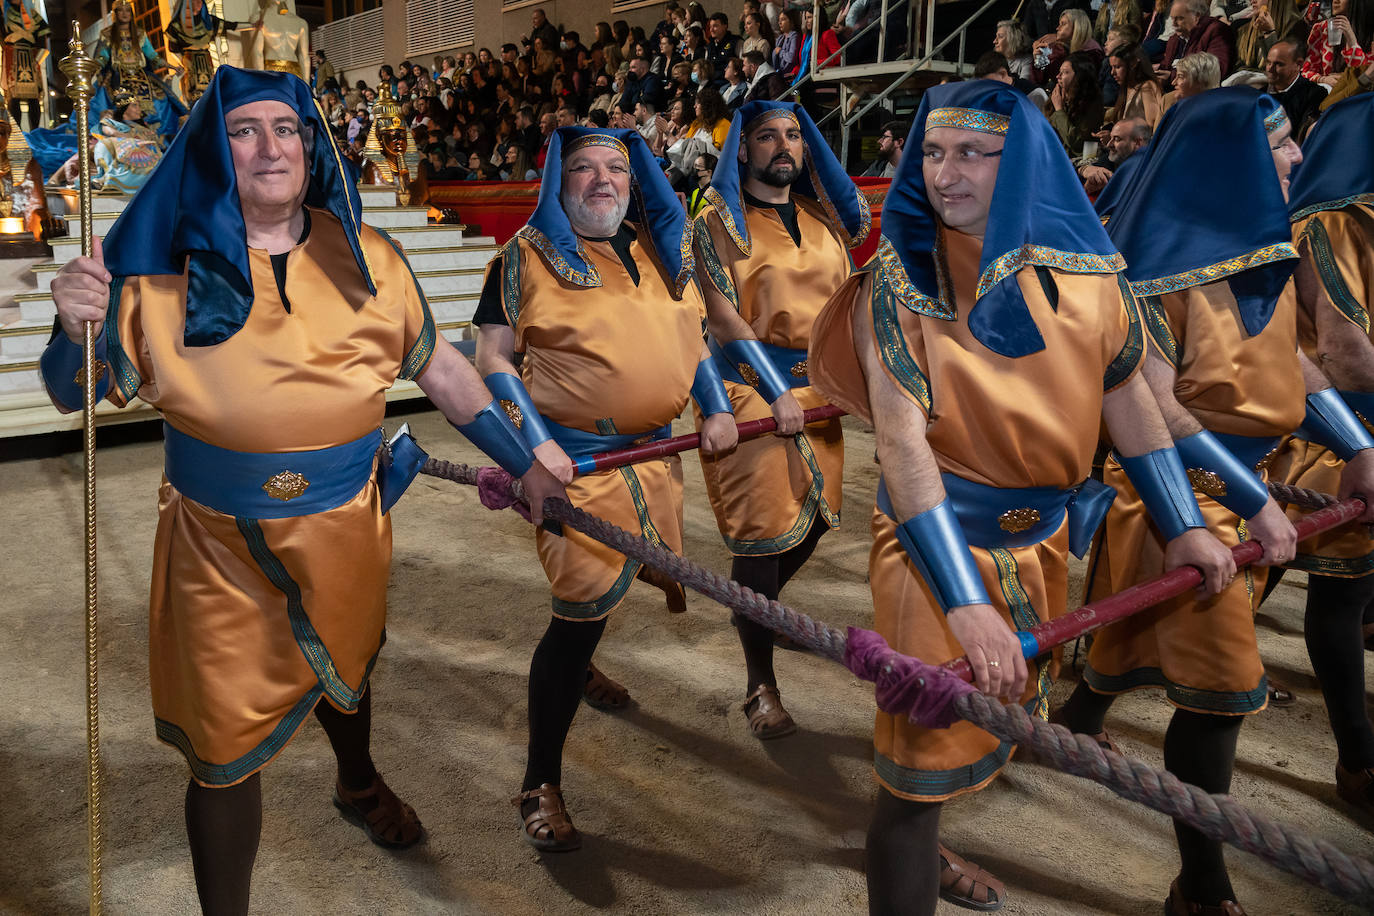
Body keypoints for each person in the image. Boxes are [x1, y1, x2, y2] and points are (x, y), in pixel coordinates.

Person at [38, 67, 563, 916]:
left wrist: (526, 462)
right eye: (246, 131)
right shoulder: (157, 276)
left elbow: (443, 372)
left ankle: (355, 785)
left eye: (287, 128)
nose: (270, 147)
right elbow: (71, 393)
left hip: (348, 523)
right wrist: (71, 329)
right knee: (220, 750)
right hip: (216, 546)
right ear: (218, 150)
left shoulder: (372, 259)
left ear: (311, 147)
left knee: (346, 665)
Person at [807, 80, 1233, 916]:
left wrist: (1183, 524)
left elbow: (1132, 404)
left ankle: (933, 850)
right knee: (916, 771)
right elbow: (901, 447)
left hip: (1042, 543)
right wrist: (963, 605)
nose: (943, 173)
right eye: (932, 152)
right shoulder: (899, 280)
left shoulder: (1091, 274)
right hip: (936, 549)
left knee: (973, 742)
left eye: (970, 153)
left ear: (1025, 160)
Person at [1054, 87, 1374, 915]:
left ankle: (1082, 705)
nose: (1298, 158)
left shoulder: (1261, 250)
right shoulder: (1144, 275)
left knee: (1134, 634)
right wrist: (1247, 497)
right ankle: (1201, 885)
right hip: (1173, 505)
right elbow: (1160, 413)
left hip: (1249, 497)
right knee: (1225, 692)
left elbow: (1295, 375)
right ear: (1230, 156)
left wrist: (1360, 446)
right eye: (1280, 143)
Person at [472, 126, 738, 852]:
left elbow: (698, 335)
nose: (601, 180)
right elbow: (493, 355)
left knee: (605, 597)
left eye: (615, 167)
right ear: (559, 184)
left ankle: (585, 662)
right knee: (578, 611)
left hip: (657, 461)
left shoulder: (662, 250)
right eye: (582, 169)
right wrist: (538, 443)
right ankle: (539, 780)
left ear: (634, 179)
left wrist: (714, 403)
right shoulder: (522, 257)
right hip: (576, 469)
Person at [693, 100, 867, 739]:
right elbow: (721, 318)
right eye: (767, 136)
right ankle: (758, 681)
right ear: (742, 149)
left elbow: (847, 308)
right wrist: (774, 392)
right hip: (746, 392)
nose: (783, 145)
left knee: (814, 525)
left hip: (821, 392)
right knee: (763, 535)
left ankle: (754, 611)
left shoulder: (824, 220)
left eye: (793, 134)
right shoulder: (718, 222)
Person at [1263, 92, 1374, 823]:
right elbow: (1343, 349)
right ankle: (1358, 758)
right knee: (1339, 593)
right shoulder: (1331, 220)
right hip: (1335, 436)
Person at [95, 0, 188, 144]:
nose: (125, 14)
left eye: (128, 10)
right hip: (118, 76)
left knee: (163, 100)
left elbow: (153, 56)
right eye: (121, 10)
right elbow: (102, 58)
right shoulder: (107, 34)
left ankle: (162, 138)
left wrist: (172, 67)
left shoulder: (140, 34)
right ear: (115, 14)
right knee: (103, 99)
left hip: (142, 75)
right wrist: (92, 69)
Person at [166, 0, 240, 105]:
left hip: (206, 62)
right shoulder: (177, 25)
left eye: (200, 1)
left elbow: (231, 25)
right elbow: (173, 49)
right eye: (195, 1)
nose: (198, 3)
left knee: (212, 94)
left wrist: (253, 25)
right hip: (191, 65)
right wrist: (185, 63)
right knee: (194, 96)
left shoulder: (208, 21)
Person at [1158, 0, 1237, 85]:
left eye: (1180, 18)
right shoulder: (1175, 39)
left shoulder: (1217, 31)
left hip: (1201, 92)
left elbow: (1216, 71)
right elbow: (1165, 67)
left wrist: (1172, 76)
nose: (1174, 24)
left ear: (1196, 16)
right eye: (1172, 18)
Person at [1301, 0, 1371, 83]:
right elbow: (1305, 72)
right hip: (1329, 91)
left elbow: (1366, 77)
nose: (1335, 1)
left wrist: (1352, 41)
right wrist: (1323, 79)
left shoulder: (1370, 33)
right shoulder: (1321, 28)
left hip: (1359, 92)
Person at [1267, 39, 1328, 130]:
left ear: (1299, 64)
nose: (1269, 69)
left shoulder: (1314, 95)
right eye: (1268, 62)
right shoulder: (1258, 93)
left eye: (1278, 64)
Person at [1078, 116, 1150, 192]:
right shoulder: (1114, 158)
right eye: (1110, 138)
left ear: (1137, 143)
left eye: (1116, 139)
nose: (1109, 144)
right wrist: (1084, 170)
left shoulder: (1151, 170)